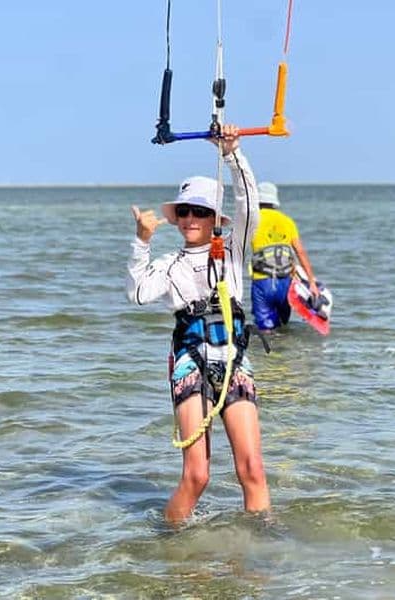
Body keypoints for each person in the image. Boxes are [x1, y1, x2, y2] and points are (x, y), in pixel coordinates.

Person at [126, 124, 269, 524]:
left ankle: (259, 555)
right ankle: (170, 546)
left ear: (213, 219)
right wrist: (141, 242)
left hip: (235, 363)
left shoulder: (232, 250)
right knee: (198, 475)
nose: (191, 218)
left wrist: (232, 153)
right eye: (185, 211)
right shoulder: (169, 265)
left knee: (252, 470)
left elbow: (250, 205)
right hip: (190, 361)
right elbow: (137, 293)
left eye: (201, 212)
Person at [250, 181, 320, 332]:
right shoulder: (287, 221)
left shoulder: (252, 219)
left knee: (265, 331)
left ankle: (265, 355)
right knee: (282, 327)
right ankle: (285, 354)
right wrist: (312, 282)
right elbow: (300, 251)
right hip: (285, 283)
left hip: (262, 283)